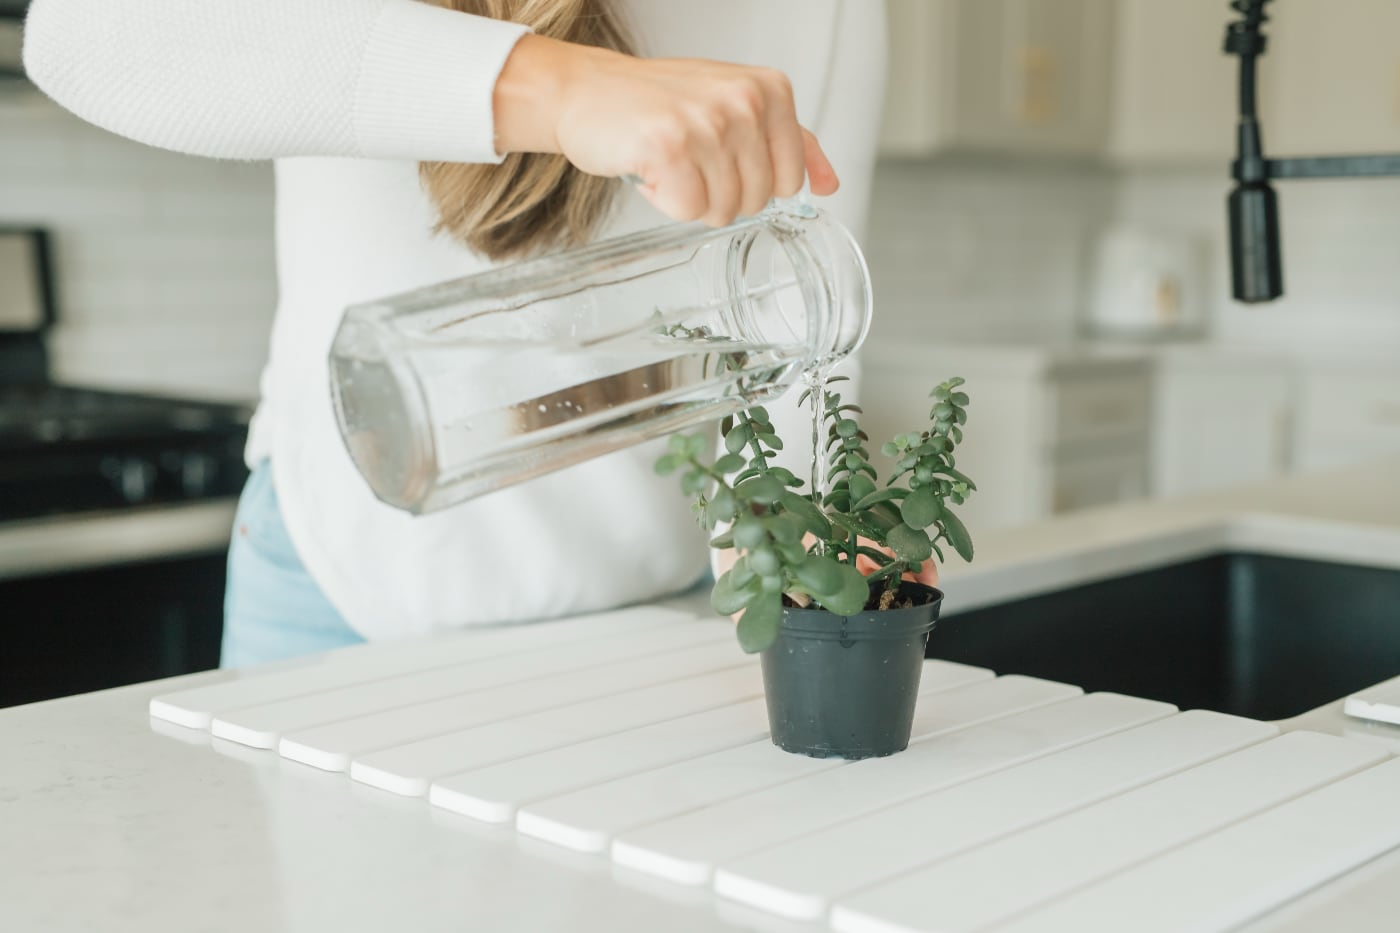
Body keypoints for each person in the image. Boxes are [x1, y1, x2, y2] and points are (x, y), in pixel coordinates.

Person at [22, 0, 889, 667]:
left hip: (661, 602)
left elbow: (805, 314)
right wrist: (558, 86)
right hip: (339, 591)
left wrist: (805, 536)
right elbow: (87, 34)